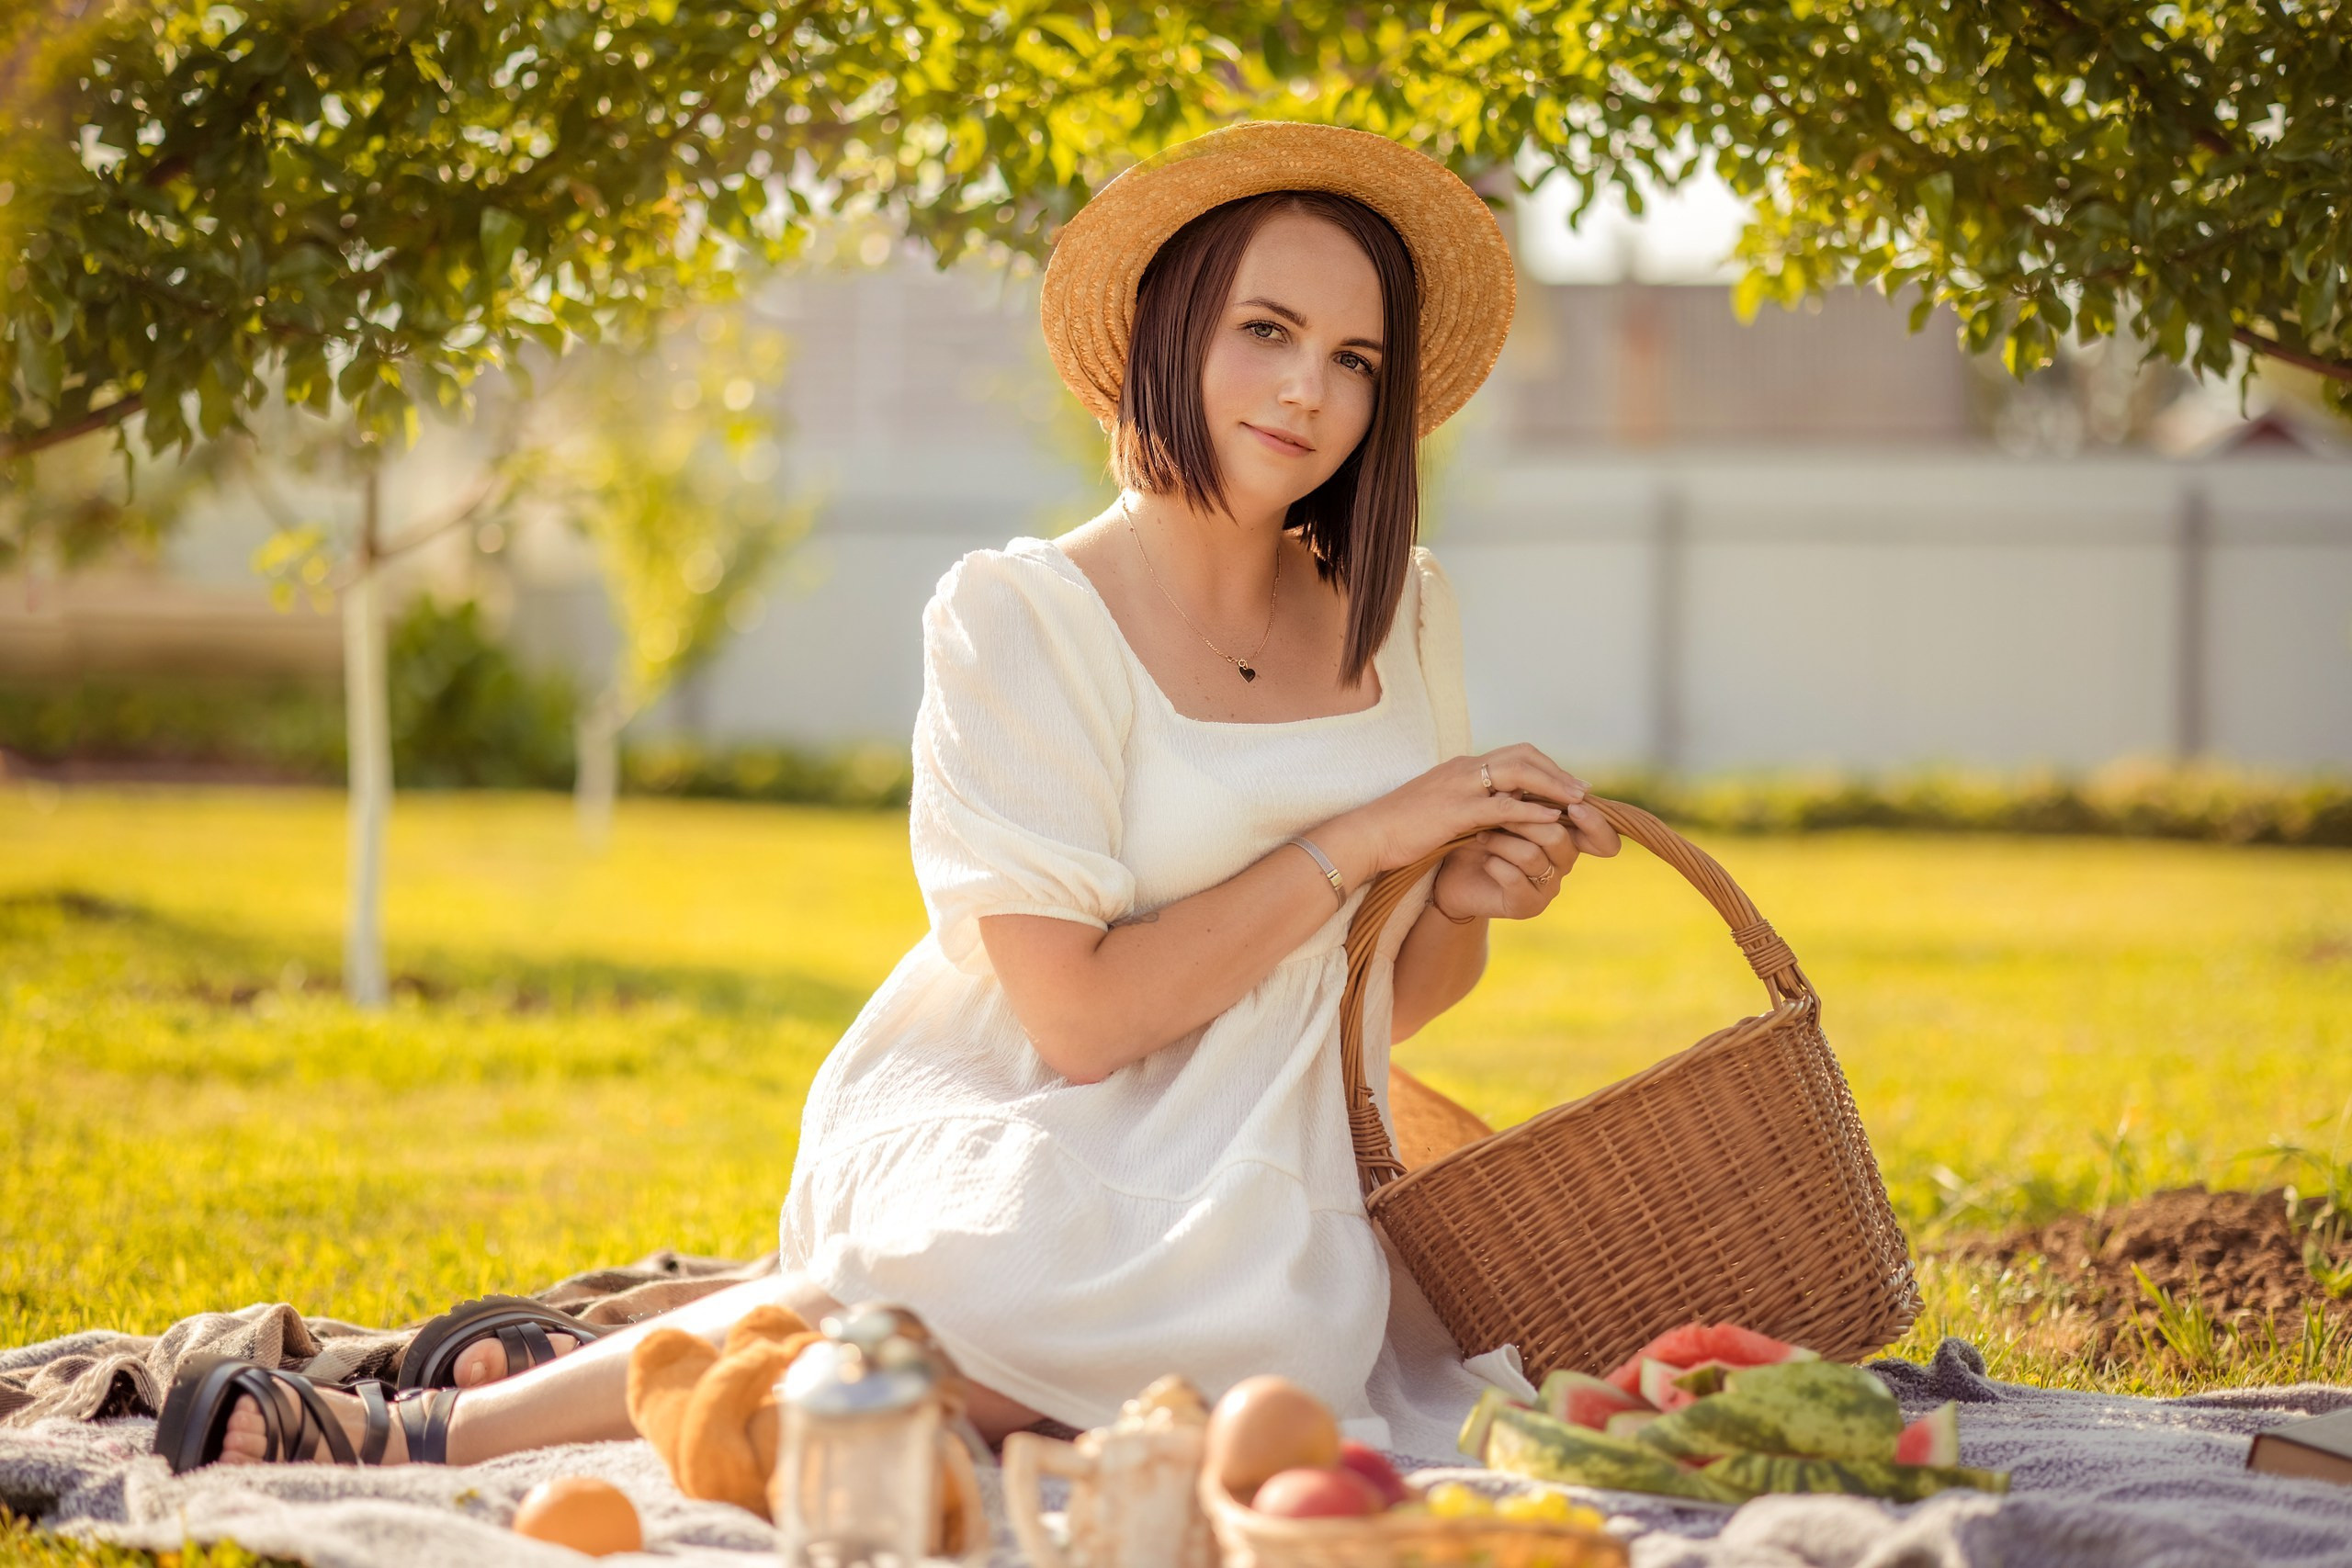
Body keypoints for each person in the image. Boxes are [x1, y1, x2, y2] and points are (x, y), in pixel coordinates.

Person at [164, 120, 1622, 1474]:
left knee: (1226, 1379)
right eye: (1267, 331)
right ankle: (431, 1428)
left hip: (1271, 1158)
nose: (1312, 388)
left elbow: (1392, 999)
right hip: (1039, 1103)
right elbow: (1083, 1021)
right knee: (962, 1334)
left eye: (1357, 358)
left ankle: (607, 1342)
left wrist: (1471, 896)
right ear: (1168, 336)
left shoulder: (1401, 613)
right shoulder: (1021, 617)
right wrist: (1369, 833)